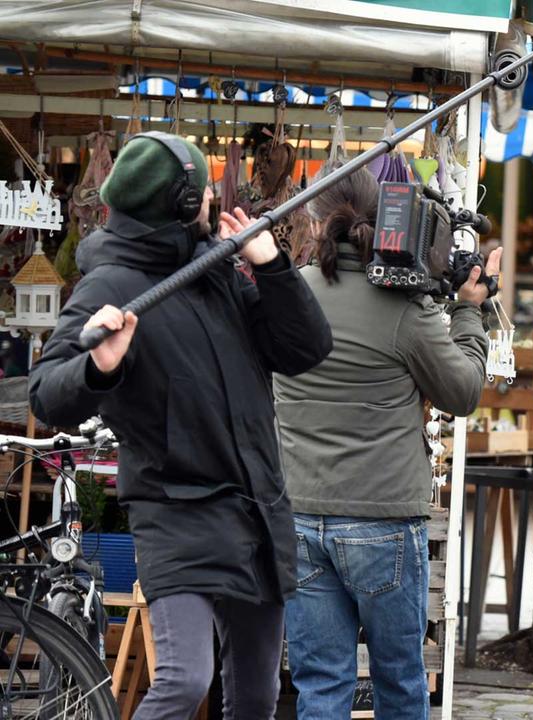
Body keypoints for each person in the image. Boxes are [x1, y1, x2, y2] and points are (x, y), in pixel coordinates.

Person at [29, 131, 333, 718]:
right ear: (180, 205)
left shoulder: (215, 268)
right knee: (184, 679)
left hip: (252, 507)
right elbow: (46, 393)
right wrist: (97, 368)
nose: (213, 207)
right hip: (176, 509)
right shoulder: (108, 285)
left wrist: (269, 266)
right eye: (203, 197)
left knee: (258, 695)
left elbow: (305, 349)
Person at [274, 164, 496, 718]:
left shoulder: (290, 294)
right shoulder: (404, 309)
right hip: (383, 520)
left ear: (316, 224)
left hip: (298, 513)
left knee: (321, 685)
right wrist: (469, 313)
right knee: (400, 682)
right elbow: (463, 392)